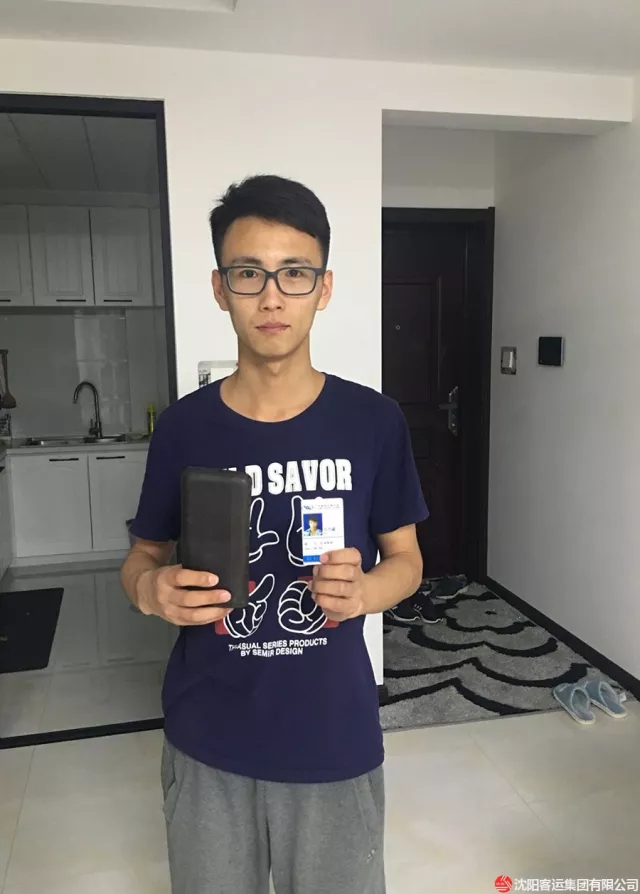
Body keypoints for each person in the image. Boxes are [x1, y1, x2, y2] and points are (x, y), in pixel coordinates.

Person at [121, 174, 428, 894]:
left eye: (294, 273)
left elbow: (407, 561)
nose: (271, 297)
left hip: (333, 735)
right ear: (219, 287)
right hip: (207, 736)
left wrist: (365, 593)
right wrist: (150, 591)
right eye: (248, 273)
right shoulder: (183, 427)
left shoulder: (373, 422)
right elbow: (142, 556)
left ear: (323, 288)